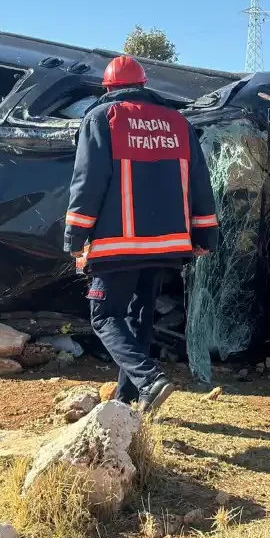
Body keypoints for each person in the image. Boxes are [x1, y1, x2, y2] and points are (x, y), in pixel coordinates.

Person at [65, 55, 220, 415]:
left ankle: (149, 379)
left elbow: (88, 181)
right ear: (144, 84)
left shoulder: (103, 118)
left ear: (108, 88)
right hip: (167, 245)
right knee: (138, 318)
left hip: (119, 244)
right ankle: (127, 400)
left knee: (104, 316)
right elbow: (200, 181)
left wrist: (75, 234)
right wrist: (205, 234)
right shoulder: (178, 123)